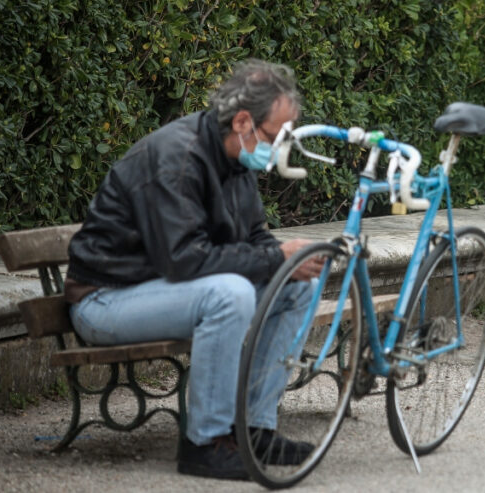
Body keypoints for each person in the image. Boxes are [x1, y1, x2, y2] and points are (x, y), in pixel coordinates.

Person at [65, 59, 321, 480]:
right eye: (277, 137)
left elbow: (254, 237)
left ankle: (254, 431)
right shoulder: (175, 157)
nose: (280, 149)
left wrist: (289, 258)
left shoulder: (236, 157)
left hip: (163, 290)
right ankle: (206, 442)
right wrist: (277, 256)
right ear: (243, 121)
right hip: (104, 300)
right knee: (231, 294)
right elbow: (186, 261)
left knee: (295, 288)